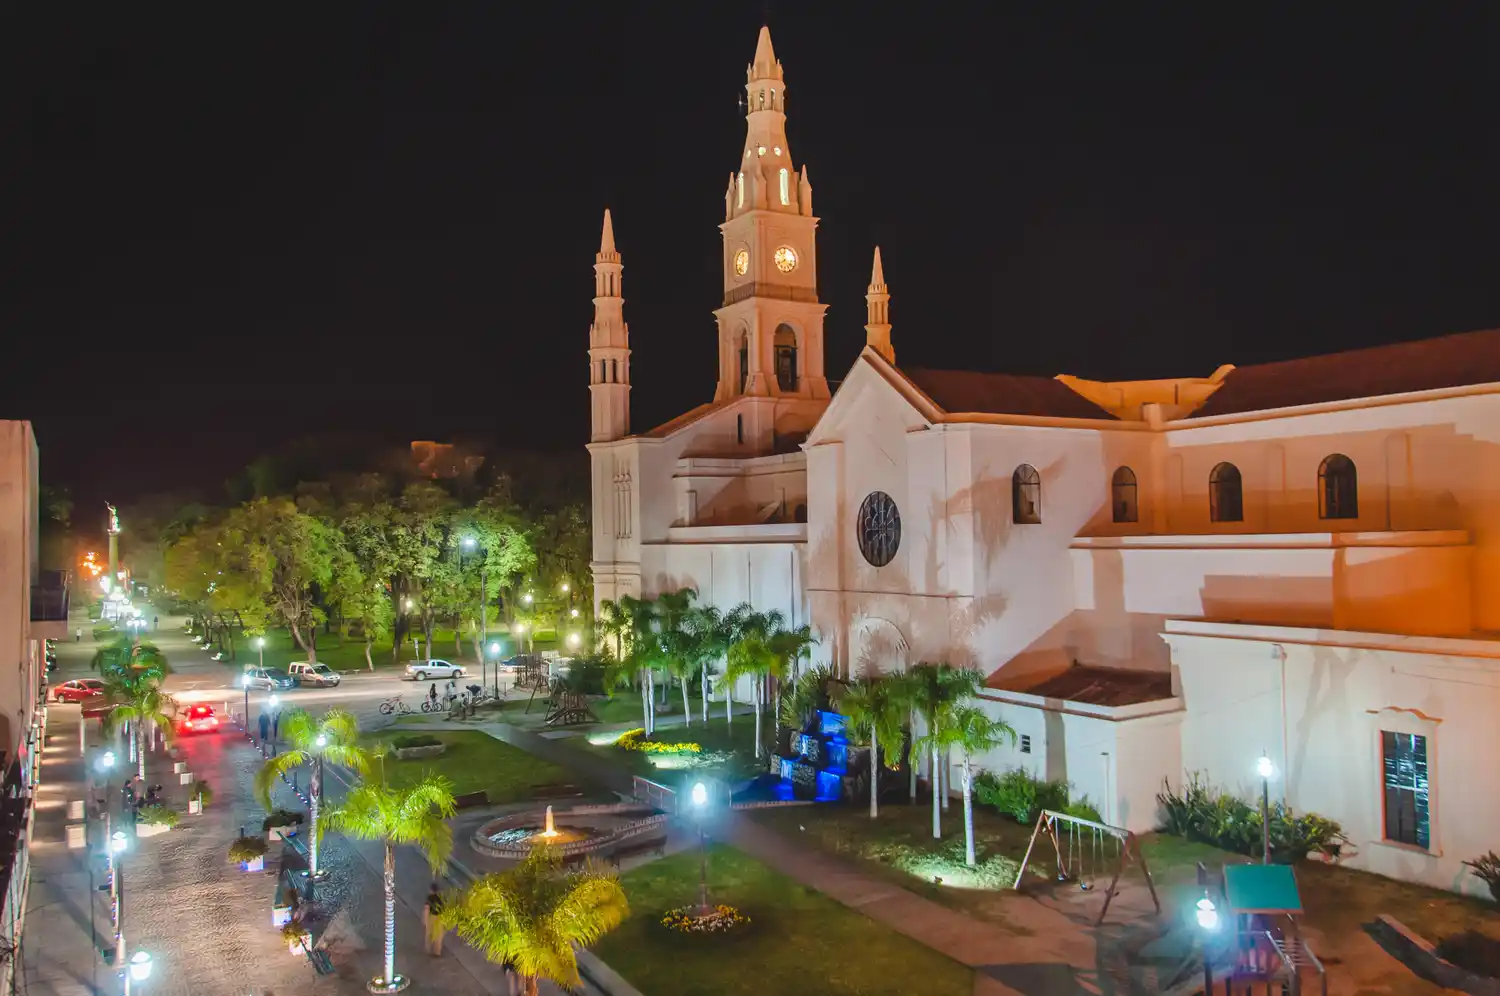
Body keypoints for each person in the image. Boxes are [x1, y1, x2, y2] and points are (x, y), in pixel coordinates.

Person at [422, 882, 445, 956]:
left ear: (431, 890)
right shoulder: (441, 898)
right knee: (438, 935)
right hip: (440, 918)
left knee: (429, 933)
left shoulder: (429, 898)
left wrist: (425, 920)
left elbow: (426, 909)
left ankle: (429, 949)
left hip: (432, 917)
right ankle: (437, 951)